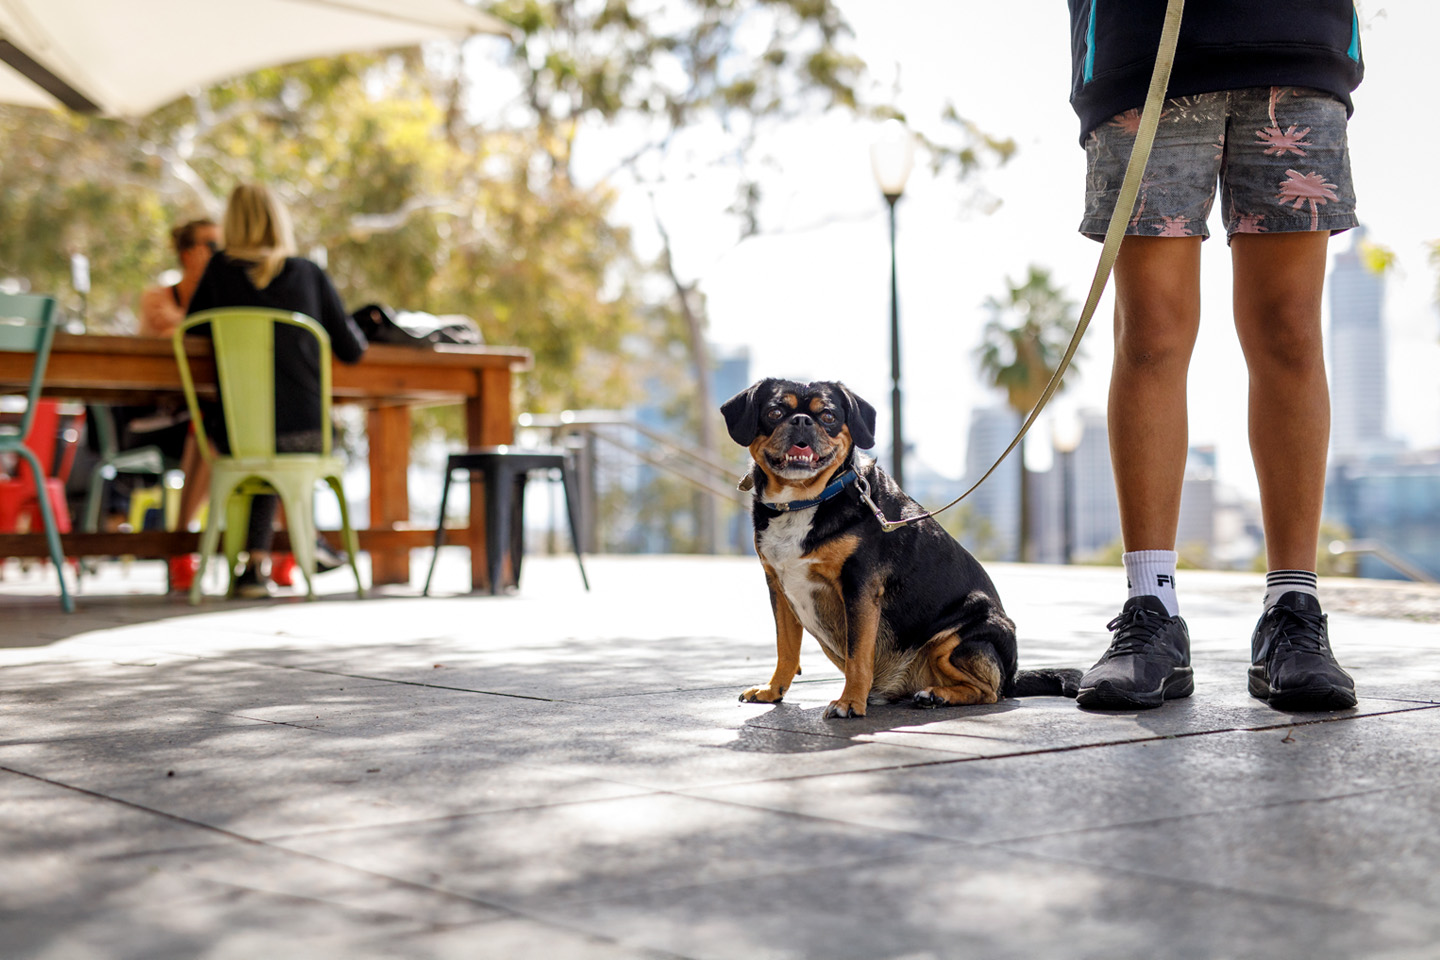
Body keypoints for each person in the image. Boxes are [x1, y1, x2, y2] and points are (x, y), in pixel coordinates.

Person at [1067, 1, 1363, 711]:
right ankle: (1153, 611)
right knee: (1152, 333)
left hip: (1297, 41)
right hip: (1143, 52)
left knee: (1290, 329)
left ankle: (1293, 612)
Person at [187, 183, 367, 598]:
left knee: (260, 438)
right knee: (285, 440)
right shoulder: (308, 272)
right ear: (279, 220)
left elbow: (194, 333)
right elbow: (352, 350)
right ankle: (307, 544)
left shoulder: (218, 273)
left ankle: (257, 563)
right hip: (306, 431)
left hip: (236, 432)